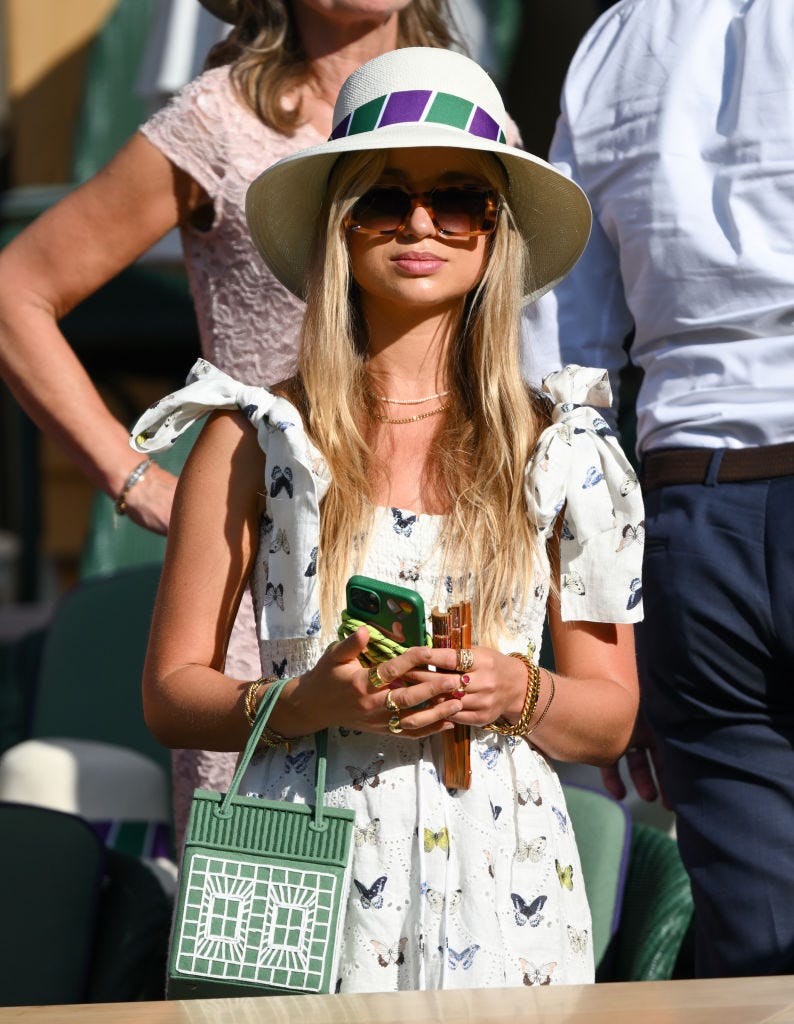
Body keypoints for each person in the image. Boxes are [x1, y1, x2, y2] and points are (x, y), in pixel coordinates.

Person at [130, 46, 643, 990]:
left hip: (504, 869)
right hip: (299, 852)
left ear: (496, 234)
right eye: (381, 198)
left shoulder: (562, 448)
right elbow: (169, 693)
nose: (420, 224)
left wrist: (512, 691)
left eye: (458, 200)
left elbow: (611, 715)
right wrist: (303, 702)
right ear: (339, 227)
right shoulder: (253, 439)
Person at [0, 0, 461, 847]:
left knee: (441, 884)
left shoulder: (461, 101)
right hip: (264, 589)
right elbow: (13, 293)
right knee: (263, 922)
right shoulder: (220, 118)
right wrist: (137, 479)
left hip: (435, 569)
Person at [526, 0, 794, 978]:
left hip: (685, 513)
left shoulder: (609, 42)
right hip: (686, 502)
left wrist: (603, 641)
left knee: (758, 944)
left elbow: (562, 362)